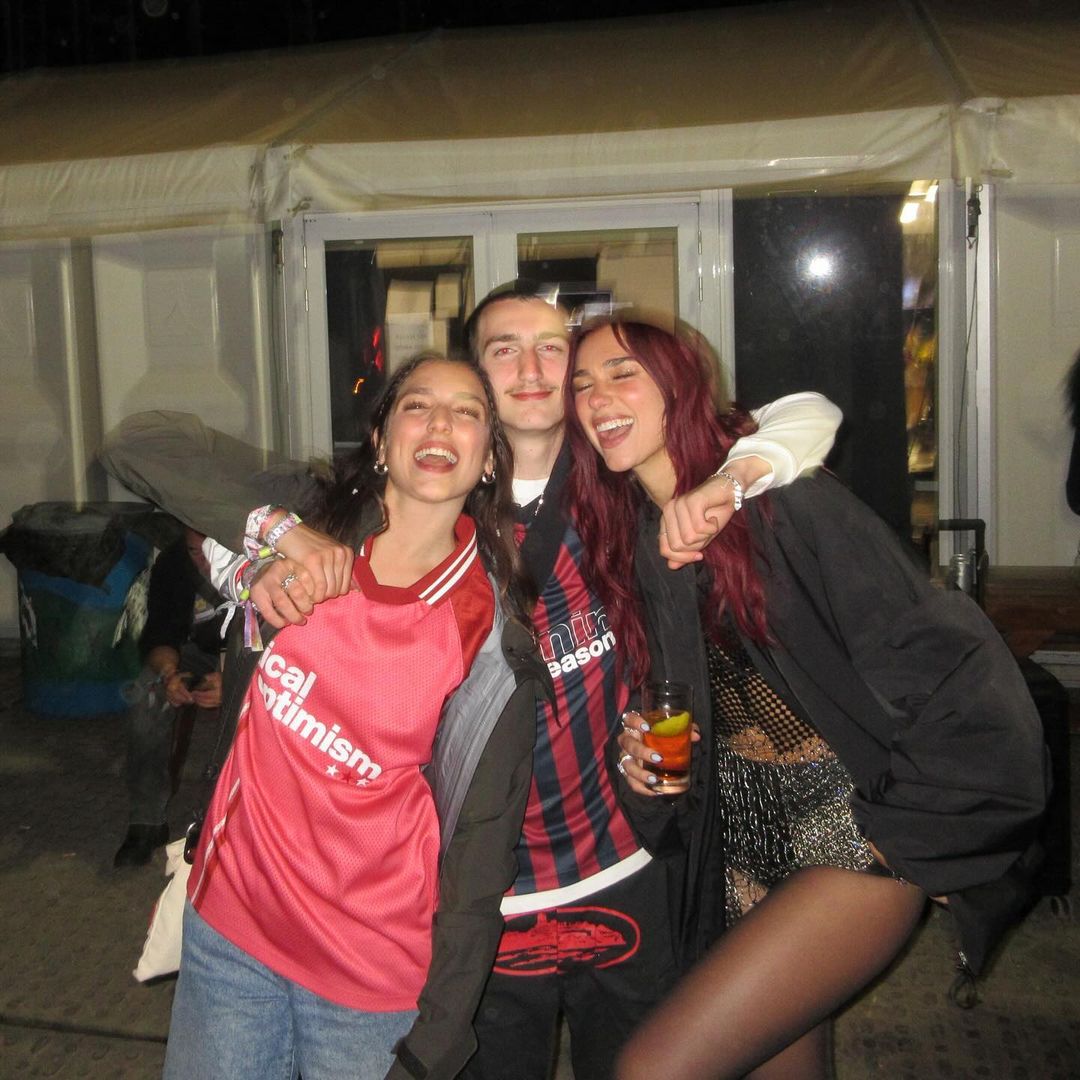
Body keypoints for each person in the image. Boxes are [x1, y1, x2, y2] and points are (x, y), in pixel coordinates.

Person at [102, 282, 841, 1080]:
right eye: (502, 351)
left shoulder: (621, 490)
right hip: (486, 900)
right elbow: (188, 487)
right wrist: (258, 560)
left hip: (621, 872)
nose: (531, 368)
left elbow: (804, 416)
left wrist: (734, 480)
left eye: (552, 349)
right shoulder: (383, 516)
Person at [564, 315, 1050, 1080]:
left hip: (851, 830)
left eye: (623, 372)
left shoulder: (782, 503)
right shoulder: (636, 540)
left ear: (681, 385)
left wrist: (919, 828)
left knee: (654, 1068)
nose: (599, 398)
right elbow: (685, 700)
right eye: (583, 384)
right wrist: (650, 764)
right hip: (744, 839)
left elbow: (950, 658)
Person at [101, 354, 549, 1080]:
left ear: (490, 459)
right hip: (230, 932)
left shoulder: (488, 633)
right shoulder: (316, 514)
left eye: (467, 412)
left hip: (367, 976)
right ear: (380, 440)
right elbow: (137, 443)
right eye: (417, 405)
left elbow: (481, 852)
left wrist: (439, 1036)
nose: (440, 424)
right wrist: (279, 536)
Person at [114, 526, 225, 869]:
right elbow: (161, 633)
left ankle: (233, 821)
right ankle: (147, 820)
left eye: (213, 550)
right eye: (195, 551)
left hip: (252, 655)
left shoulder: (261, 559)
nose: (205, 561)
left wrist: (234, 679)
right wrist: (168, 674)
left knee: (259, 706)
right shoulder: (174, 563)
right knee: (147, 696)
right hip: (196, 652)